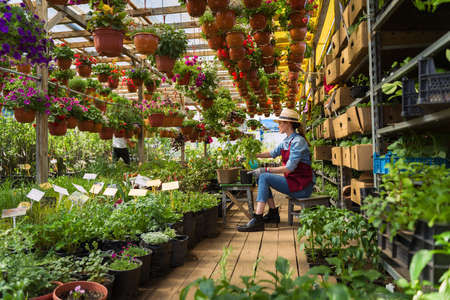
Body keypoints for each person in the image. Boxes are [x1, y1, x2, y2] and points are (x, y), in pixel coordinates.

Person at [237, 108, 313, 232]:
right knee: (264, 177)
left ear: (288, 124)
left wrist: (265, 169)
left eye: (280, 123)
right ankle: (273, 213)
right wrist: (251, 155)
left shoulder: (298, 142)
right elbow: (272, 153)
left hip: (302, 187)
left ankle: (258, 218)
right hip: (294, 182)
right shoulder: (287, 141)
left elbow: (288, 169)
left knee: (264, 176)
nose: (278, 125)